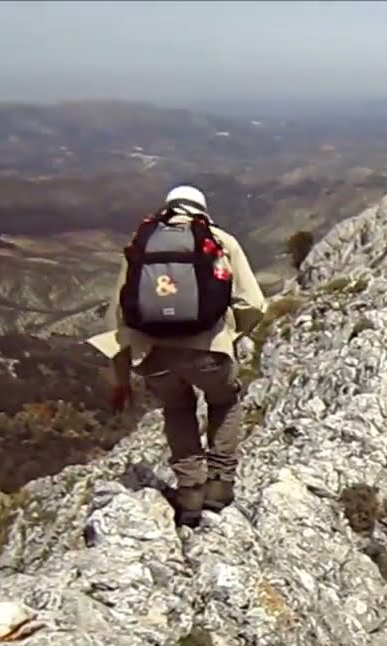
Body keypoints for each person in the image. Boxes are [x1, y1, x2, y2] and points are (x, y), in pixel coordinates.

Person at [88, 184, 266, 528]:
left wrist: (121, 379)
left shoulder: (143, 244)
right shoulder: (220, 241)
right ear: (202, 210)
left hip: (153, 356)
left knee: (177, 408)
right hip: (208, 351)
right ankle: (219, 485)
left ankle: (189, 492)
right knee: (224, 401)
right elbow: (254, 304)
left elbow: (117, 319)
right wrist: (232, 334)